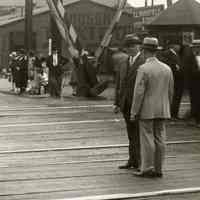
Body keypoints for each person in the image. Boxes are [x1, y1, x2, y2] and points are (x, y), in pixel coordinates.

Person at [131, 37, 174, 178]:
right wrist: (167, 106)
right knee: (160, 138)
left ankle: (147, 168)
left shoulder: (143, 69)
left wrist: (134, 111)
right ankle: (158, 168)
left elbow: (139, 93)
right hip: (163, 109)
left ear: (144, 51)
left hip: (146, 110)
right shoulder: (167, 68)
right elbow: (170, 91)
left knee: (147, 138)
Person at [114, 34, 145, 170]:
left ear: (139, 46)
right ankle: (132, 159)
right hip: (126, 103)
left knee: (139, 133)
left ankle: (140, 161)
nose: (131, 49)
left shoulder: (144, 62)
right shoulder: (123, 63)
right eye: (128, 47)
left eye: (133, 46)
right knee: (131, 133)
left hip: (139, 104)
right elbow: (119, 83)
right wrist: (117, 102)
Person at [158, 41, 183, 119]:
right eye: (178, 45)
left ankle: (174, 114)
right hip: (172, 79)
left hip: (178, 79)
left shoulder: (177, 54)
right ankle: (171, 114)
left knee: (176, 97)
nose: (179, 47)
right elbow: (165, 63)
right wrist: (175, 66)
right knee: (172, 97)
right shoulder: (166, 53)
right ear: (173, 45)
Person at [180, 45, 200, 127]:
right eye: (195, 47)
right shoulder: (189, 57)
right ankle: (196, 119)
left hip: (196, 81)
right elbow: (187, 69)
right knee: (195, 101)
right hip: (194, 83)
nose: (197, 49)